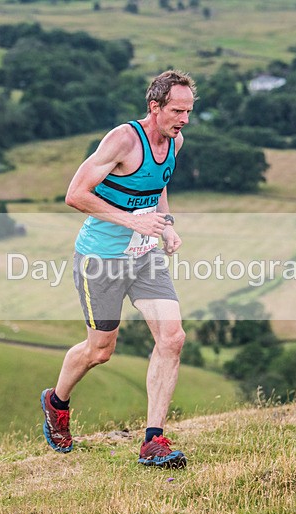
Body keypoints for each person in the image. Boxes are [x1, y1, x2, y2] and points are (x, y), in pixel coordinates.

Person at [40, 70, 196, 468]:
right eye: (177, 111)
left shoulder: (174, 142)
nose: (184, 119)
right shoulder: (123, 139)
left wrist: (166, 225)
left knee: (173, 338)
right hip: (101, 260)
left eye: (189, 111)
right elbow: (75, 194)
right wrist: (132, 221)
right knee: (100, 350)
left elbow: (156, 185)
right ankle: (56, 403)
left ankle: (153, 441)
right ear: (155, 106)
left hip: (144, 258)